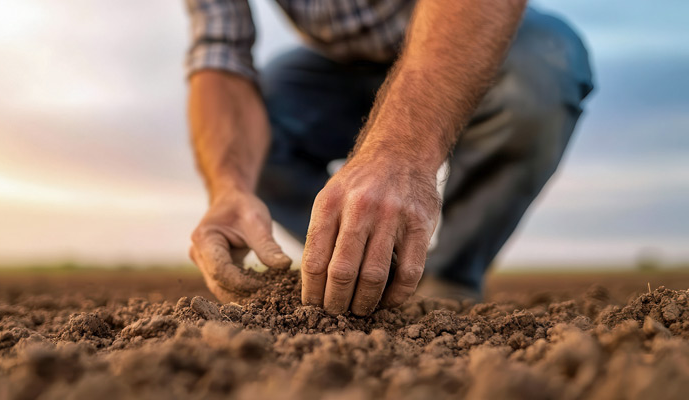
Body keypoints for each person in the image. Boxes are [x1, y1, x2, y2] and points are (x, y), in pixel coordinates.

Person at [184, 0, 593, 315]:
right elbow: (220, 54)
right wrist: (229, 188)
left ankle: (450, 279)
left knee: (539, 79)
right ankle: (374, 265)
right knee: (260, 123)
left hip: (468, 34)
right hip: (341, 66)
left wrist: (399, 153)